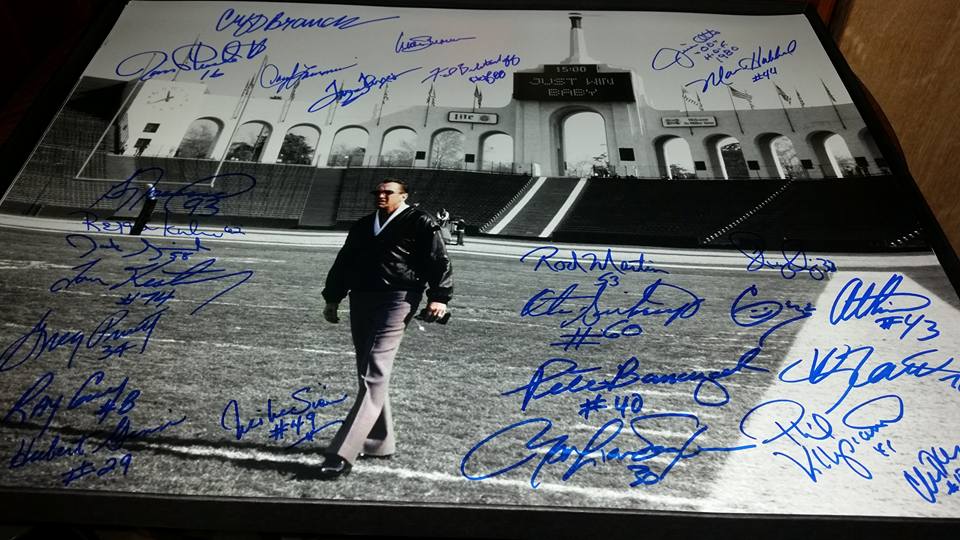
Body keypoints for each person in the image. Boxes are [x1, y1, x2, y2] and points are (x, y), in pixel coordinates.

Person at [310, 179, 453, 480]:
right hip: (361, 298)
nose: (382, 196)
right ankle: (378, 442)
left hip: (399, 298)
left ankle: (342, 453)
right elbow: (344, 261)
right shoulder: (364, 224)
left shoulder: (420, 221)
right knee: (367, 369)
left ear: (404, 196)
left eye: (389, 192)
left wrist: (439, 296)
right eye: (378, 192)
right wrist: (332, 298)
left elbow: (438, 259)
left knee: (374, 370)